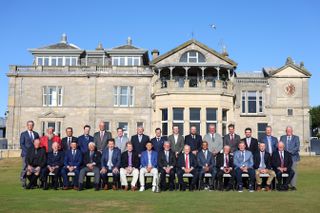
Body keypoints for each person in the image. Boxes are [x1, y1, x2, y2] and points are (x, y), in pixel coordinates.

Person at [20, 120, 40, 188]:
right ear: (27, 125)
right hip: (26, 154)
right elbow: (22, 144)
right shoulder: (23, 134)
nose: (30, 126)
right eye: (29, 125)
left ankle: (34, 183)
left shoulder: (36, 134)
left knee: (34, 168)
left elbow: (37, 143)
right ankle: (23, 182)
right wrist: (28, 152)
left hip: (34, 155)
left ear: (33, 126)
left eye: (32, 125)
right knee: (25, 168)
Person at [280, 126, 300, 191]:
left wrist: (289, 153)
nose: (288, 131)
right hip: (284, 158)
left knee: (293, 171)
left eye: (290, 130)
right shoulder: (282, 137)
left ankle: (293, 186)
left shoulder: (296, 138)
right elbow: (280, 146)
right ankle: (286, 185)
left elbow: (297, 147)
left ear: (292, 131)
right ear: (286, 131)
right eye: (287, 130)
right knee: (285, 171)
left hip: (293, 157)